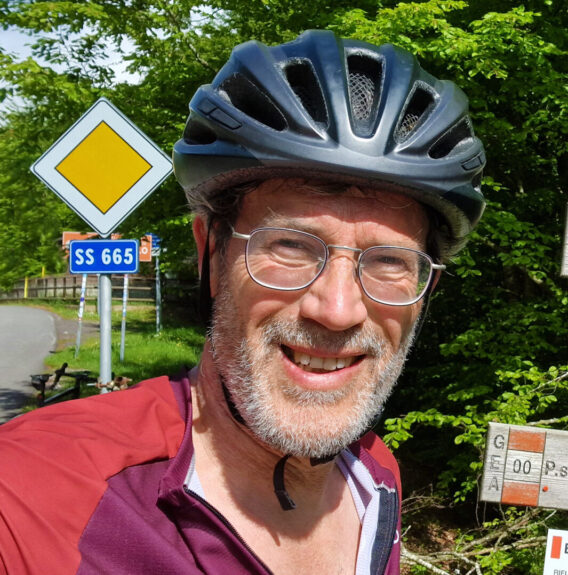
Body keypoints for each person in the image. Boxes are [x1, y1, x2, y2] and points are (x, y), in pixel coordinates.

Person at [0, 30, 485, 574]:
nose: (338, 309)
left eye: (390, 262)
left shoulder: (372, 476)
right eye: (291, 247)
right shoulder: (33, 494)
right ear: (211, 252)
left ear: (428, 290)